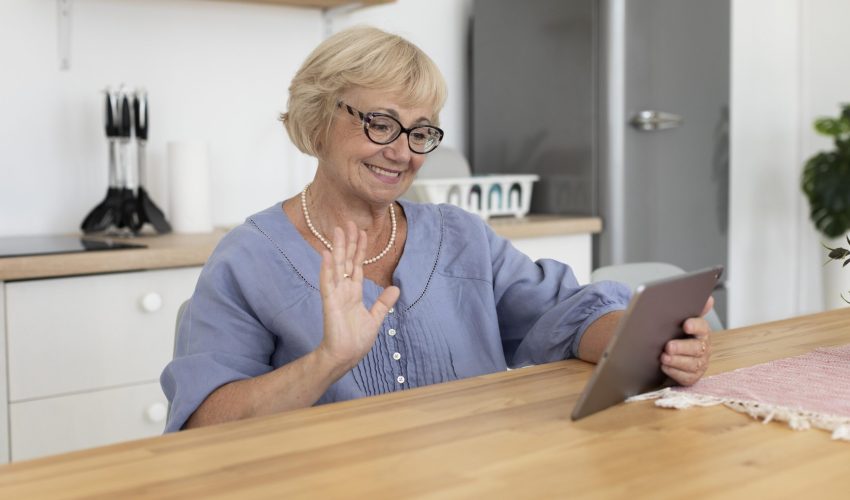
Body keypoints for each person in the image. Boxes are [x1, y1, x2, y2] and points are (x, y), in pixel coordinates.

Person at [161, 26, 714, 432]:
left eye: (421, 131)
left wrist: (644, 339)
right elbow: (204, 423)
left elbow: (568, 315)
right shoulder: (246, 259)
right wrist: (327, 361)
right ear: (317, 117)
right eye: (380, 123)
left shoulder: (460, 236)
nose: (401, 151)